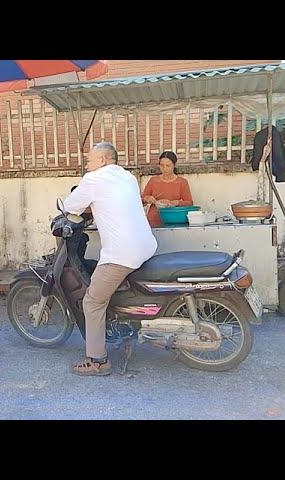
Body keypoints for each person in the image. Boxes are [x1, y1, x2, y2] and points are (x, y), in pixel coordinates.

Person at [63, 142, 157, 376]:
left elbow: (70, 205)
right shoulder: (128, 177)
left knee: (92, 302)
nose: (86, 164)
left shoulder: (94, 179)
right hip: (146, 246)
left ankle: (98, 361)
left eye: (89, 160)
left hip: (122, 254)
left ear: (104, 160)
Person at [141, 151, 194, 227]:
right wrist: (148, 199)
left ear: (174, 165)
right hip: (153, 220)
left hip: (173, 220)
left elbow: (189, 203)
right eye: (162, 165)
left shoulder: (182, 182)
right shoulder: (153, 180)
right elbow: (142, 199)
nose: (164, 169)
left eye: (168, 165)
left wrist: (176, 203)